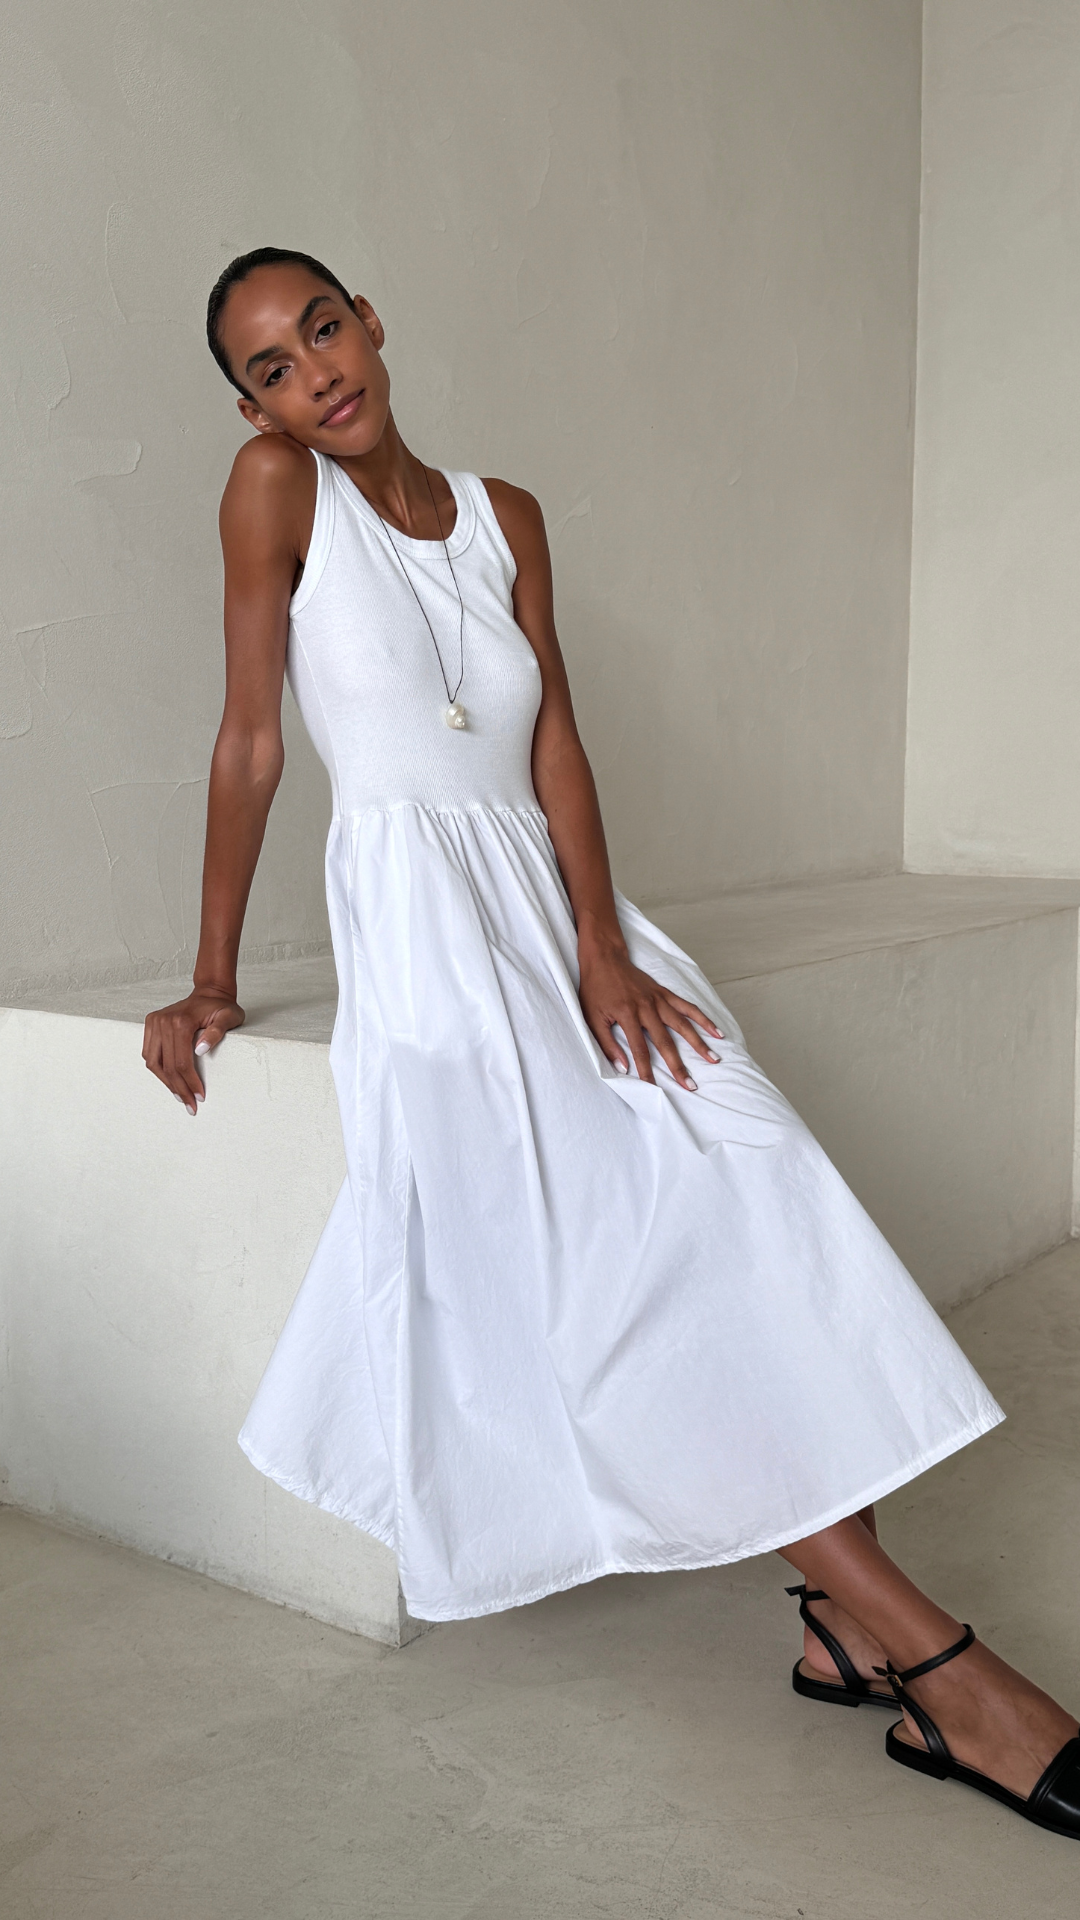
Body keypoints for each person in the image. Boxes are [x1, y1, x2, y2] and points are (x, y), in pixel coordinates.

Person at [144, 247, 1079, 1838]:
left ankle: (836, 1623)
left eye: (323, 328)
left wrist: (600, 948)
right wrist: (211, 970)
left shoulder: (510, 513)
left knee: (751, 1174)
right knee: (617, 1254)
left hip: (554, 906)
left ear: (372, 315)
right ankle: (931, 1657)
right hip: (424, 938)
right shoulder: (273, 491)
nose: (315, 373)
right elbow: (249, 739)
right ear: (254, 408)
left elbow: (555, 732)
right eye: (274, 368)